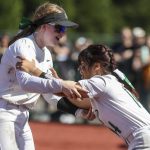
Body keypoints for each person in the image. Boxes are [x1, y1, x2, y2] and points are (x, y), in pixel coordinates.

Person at [17, 44, 150, 149]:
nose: (80, 71)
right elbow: (78, 100)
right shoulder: (109, 84)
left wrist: (34, 70)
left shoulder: (101, 82)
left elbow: (64, 91)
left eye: (83, 67)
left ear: (97, 67)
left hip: (142, 138)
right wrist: (58, 82)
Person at [0, 2, 88, 150]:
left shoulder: (46, 53)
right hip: (4, 113)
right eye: (59, 27)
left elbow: (49, 94)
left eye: (64, 29)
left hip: (22, 115)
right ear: (44, 26)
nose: (62, 33)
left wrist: (78, 111)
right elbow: (26, 83)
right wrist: (61, 84)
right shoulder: (24, 45)